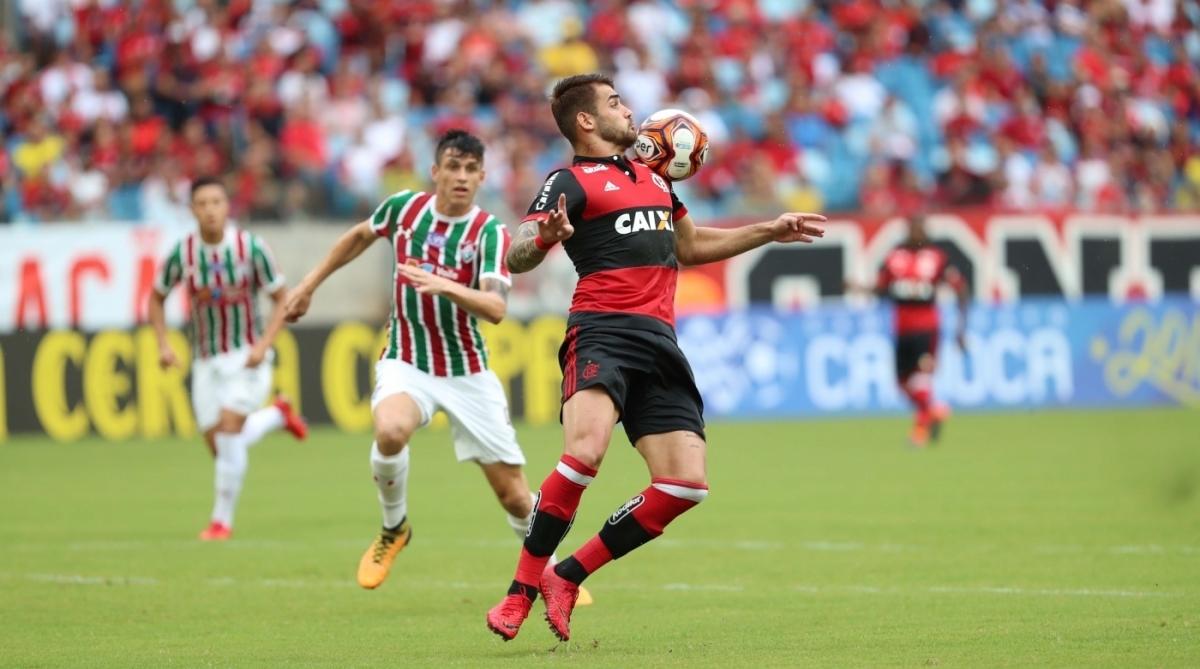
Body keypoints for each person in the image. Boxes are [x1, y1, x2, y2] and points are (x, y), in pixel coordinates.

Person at [485, 74, 826, 642]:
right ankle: (520, 590)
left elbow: (689, 247)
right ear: (587, 122)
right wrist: (544, 238)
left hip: (660, 340)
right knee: (584, 453)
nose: (629, 111)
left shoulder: (655, 178)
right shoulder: (568, 180)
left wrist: (768, 229)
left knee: (686, 484)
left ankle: (567, 575)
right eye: (615, 103)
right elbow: (518, 254)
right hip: (602, 332)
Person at [283, 130, 590, 602]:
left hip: (467, 369)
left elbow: (495, 307)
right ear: (436, 171)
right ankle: (394, 528)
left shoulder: (488, 231)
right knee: (389, 431)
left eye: (471, 170)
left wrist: (442, 285)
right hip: (406, 358)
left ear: (482, 176)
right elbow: (359, 236)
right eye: (454, 167)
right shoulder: (403, 210)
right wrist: (308, 285)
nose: (462, 177)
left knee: (513, 496)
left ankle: (548, 572)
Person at [148, 177, 309, 542]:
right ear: (192, 210)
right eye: (202, 203)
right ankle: (276, 415)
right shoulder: (183, 254)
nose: (210, 209)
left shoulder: (250, 248)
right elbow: (156, 297)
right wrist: (162, 343)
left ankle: (221, 521)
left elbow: (282, 298)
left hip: (246, 356)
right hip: (205, 360)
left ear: (227, 206)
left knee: (230, 427)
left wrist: (264, 344)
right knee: (221, 446)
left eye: (216, 201)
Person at [868, 214, 969, 447]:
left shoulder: (937, 258)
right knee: (902, 385)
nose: (917, 234)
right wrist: (861, 288)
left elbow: (961, 289)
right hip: (901, 328)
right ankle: (933, 410)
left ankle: (920, 430)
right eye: (913, 229)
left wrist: (961, 328)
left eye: (920, 229)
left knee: (922, 378)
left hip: (927, 327)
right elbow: (881, 289)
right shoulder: (894, 257)